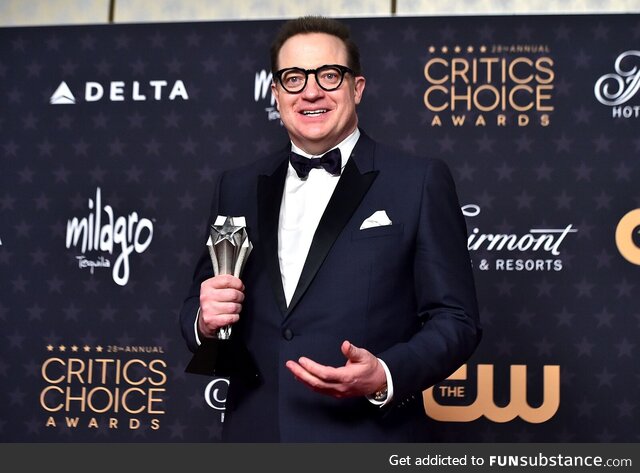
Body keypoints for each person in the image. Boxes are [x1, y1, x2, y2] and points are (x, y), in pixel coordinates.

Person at [180, 15, 481, 442]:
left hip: (366, 437)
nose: (311, 91)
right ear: (276, 93)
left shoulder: (418, 181)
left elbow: (457, 319)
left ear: (356, 88)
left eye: (329, 75)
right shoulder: (237, 186)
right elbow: (197, 302)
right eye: (294, 78)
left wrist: (386, 374)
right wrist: (203, 322)